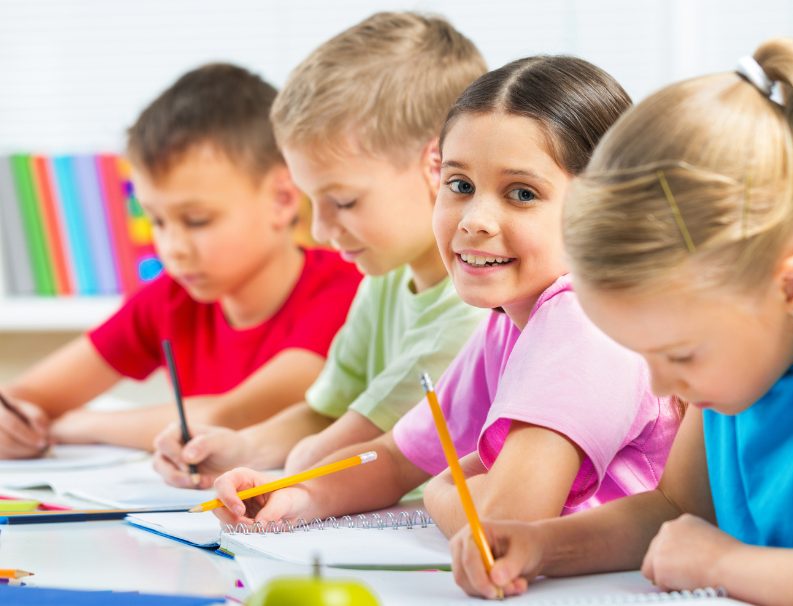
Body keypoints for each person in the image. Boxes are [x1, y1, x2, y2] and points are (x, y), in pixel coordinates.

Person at [451, 38, 793, 605]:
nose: (660, 385)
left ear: (790, 289)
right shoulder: (732, 372)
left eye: (678, 354)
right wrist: (541, 547)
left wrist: (725, 561)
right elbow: (672, 510)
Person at [207, 56, 681, 540]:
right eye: (460, 185)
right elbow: (393, 459)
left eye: (521, 193)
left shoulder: (585, 320)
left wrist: (440, 490)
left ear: (607, 208)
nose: (474, 218)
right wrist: (294, 494)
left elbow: (501, 523)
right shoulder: (506, 325)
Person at [152, 12, 489, 488]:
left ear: (437, 167)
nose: (320, 226)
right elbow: (323, 413)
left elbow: (329, 451)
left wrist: (281, 463)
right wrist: (240, 448)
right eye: (313, 200)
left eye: (344, 201)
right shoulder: (383, 279)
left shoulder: (477, 308)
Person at [0, 63, 361, 457]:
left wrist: (82, 424)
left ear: (282, 199)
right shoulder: (169, 300)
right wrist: (17, 420)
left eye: (196, 220)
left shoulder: (347, 290)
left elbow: (229, 416)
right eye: (156, 219)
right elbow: (22, 397)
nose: (172, 248)